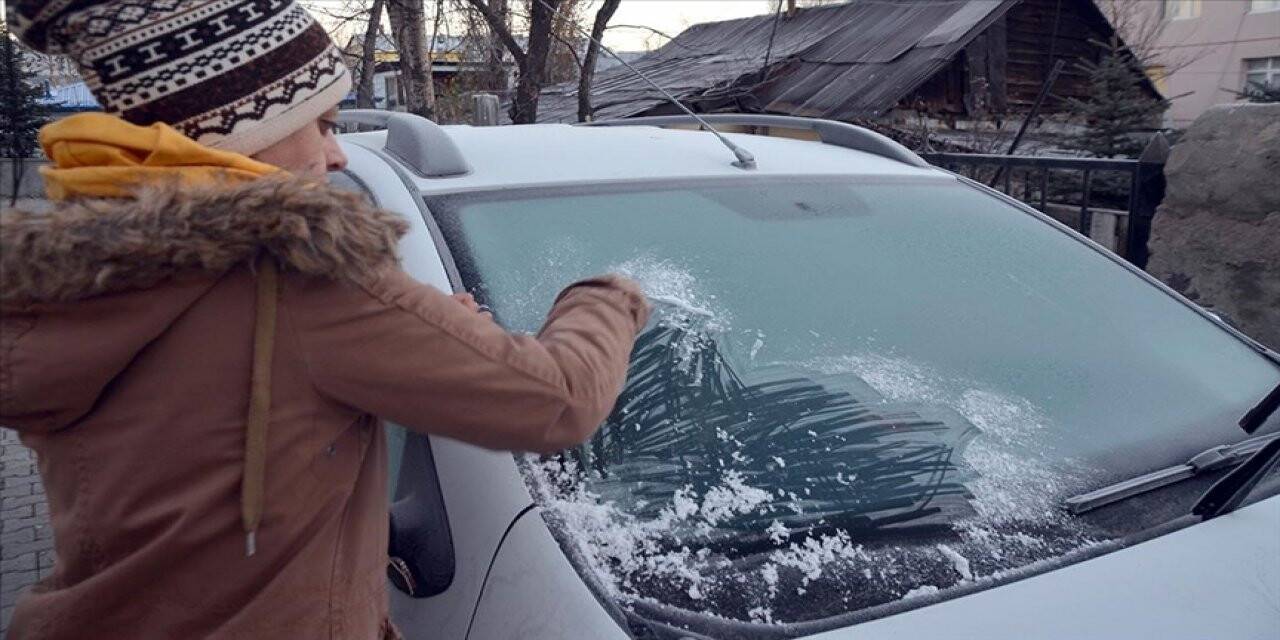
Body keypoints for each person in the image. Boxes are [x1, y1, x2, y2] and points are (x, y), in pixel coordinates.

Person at [0, 2, 649, 638]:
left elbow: (214, 418)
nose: (338, 156)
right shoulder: (298, 279)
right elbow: (559, 400)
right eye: (325, 124)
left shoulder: (77, 287)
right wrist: (610, 296)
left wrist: (406, 333)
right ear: (241, 129)